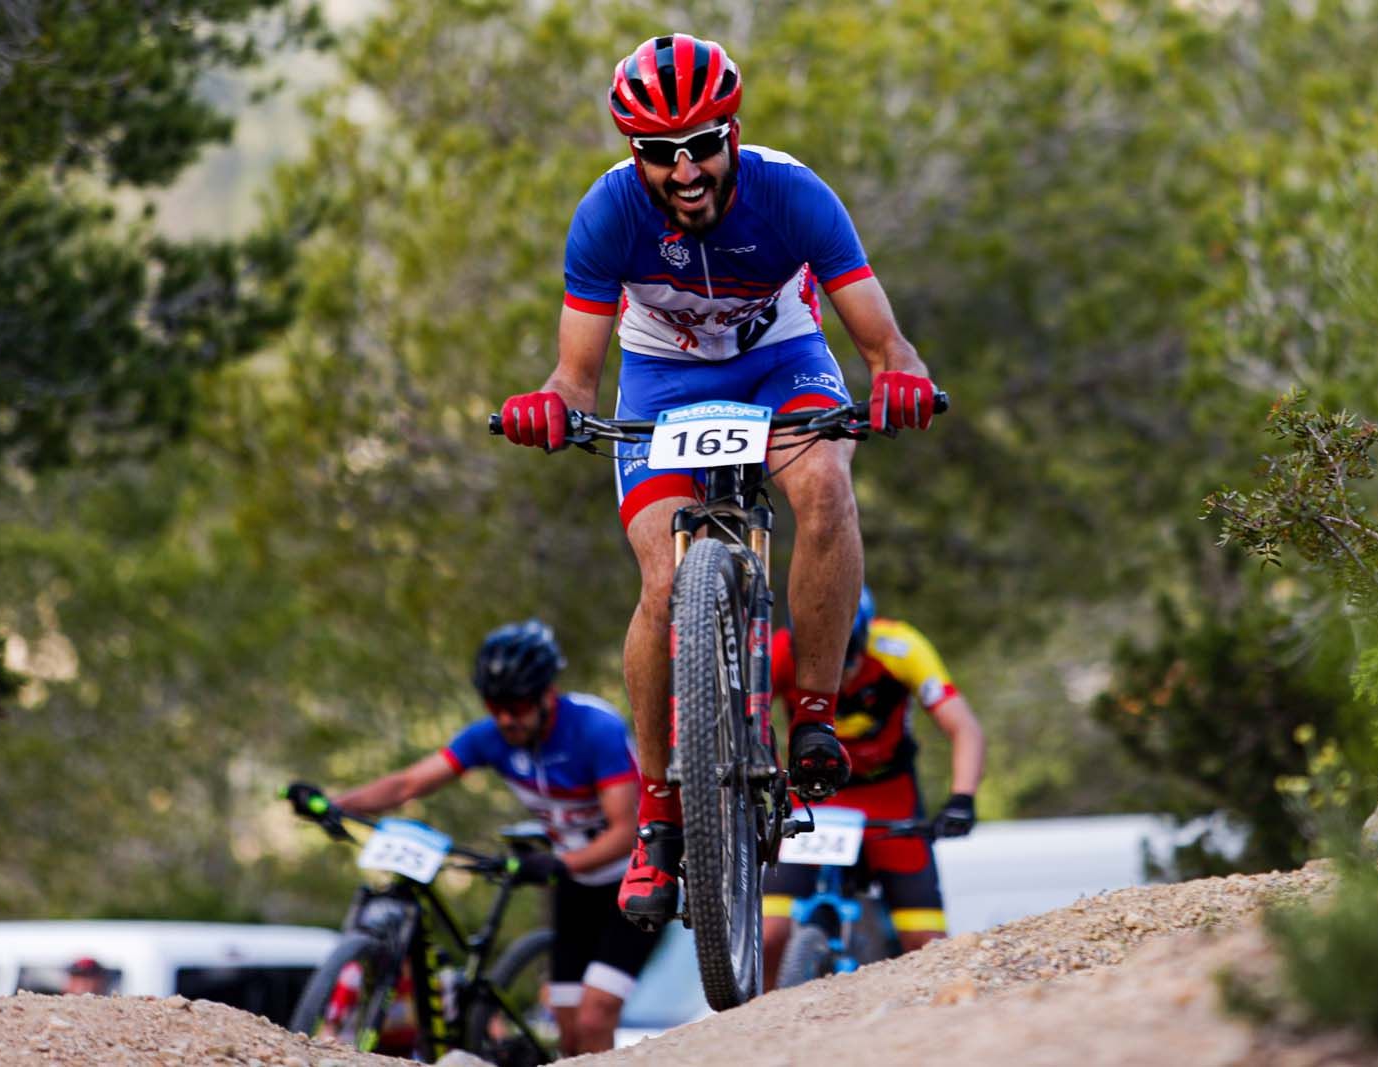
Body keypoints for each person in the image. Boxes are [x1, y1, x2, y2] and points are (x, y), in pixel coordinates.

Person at [496, 32, 940, 932]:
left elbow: (881, 336)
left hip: (783, 359)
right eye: (662, 153)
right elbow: (575, 378)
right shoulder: (608, 215)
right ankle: (660, 811)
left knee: (823, 487)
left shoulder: (791, 192)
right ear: (636, 155)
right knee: (662, 582)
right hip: (663, 381)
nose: (687, 169)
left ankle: (812, 711)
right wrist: (550, 406)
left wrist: (898, 373)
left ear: (733, 131)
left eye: (704, 143)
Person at [291, 620, 658, 1056]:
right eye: (494, 705)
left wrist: (561, 864)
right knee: (569, 1029)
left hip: (634, 878)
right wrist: (335, 804)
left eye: (517, 705)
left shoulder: (594, 730)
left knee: (596, 1015)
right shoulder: (491, 738)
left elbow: (625, 832)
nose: (505, 718)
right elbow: (409, 784)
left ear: (546, 693)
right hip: (575, 883)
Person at [761, 587, 985, 989]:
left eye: (846, 662)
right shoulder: (779, 651)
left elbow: (963, 727)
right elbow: (750, 724)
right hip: (813, 796)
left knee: (926, 944)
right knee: (768, 936)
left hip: (889, 796)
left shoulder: (901, 647)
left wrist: (962, 799)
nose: (840, 679)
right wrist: (770, 783)